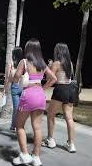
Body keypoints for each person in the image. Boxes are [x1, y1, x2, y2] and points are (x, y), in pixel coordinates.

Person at [12, 38, 57, 166]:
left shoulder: (24, 62)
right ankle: (36, 157)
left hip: (28, 94)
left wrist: (14, 77)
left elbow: (16, 79)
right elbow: (53, 78)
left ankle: (24, 155)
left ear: (28, 49)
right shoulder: (42, 63)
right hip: (40, 95)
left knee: (19, 126)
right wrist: (43, 88)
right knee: (37, 127)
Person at [42, 43, 77, 153]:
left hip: (60, 89)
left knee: (50, 114)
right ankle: (71, 144)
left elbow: (50, 78)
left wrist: (49, 66)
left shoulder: (56, 63)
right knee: (69, 117)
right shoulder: (70, 63)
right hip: (70, 90)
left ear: (58, 51)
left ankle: (50, 140)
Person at [4, 47, 23, 132]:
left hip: (15, 86)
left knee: (16, 108)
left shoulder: (11, 63)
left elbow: (7, 77)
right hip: (23, 86)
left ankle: (14, 126)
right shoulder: (24, 62)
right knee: (20, 108)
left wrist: (5, 89)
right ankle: (18, 125)